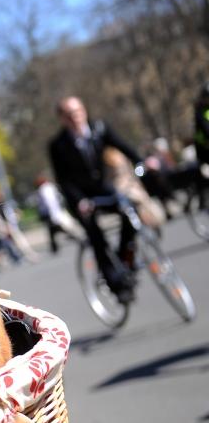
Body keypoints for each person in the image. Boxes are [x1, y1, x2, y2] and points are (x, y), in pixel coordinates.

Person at [48, 96, 154, 303]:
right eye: (69, 114)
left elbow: (123, 145)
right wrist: (80, 201)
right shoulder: (57, 145)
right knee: (97, 237)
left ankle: (125, 260)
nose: (76, 117)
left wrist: (141, 161)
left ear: (84, 110)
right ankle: (116, 285)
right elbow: (64, 180)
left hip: (100, 188)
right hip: (79, 198)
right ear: (62, 119)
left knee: (129, 212)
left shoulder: (99, 128)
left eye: (78, 111)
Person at [32, 176, 83, 255]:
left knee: (56, 229)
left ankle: (58, 245)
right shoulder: (50, 187)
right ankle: (54, 247)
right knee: (53, 230)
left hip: (51, 213)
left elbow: (50, 203)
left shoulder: (44, 190)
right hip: (53, 213)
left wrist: (53, 215)